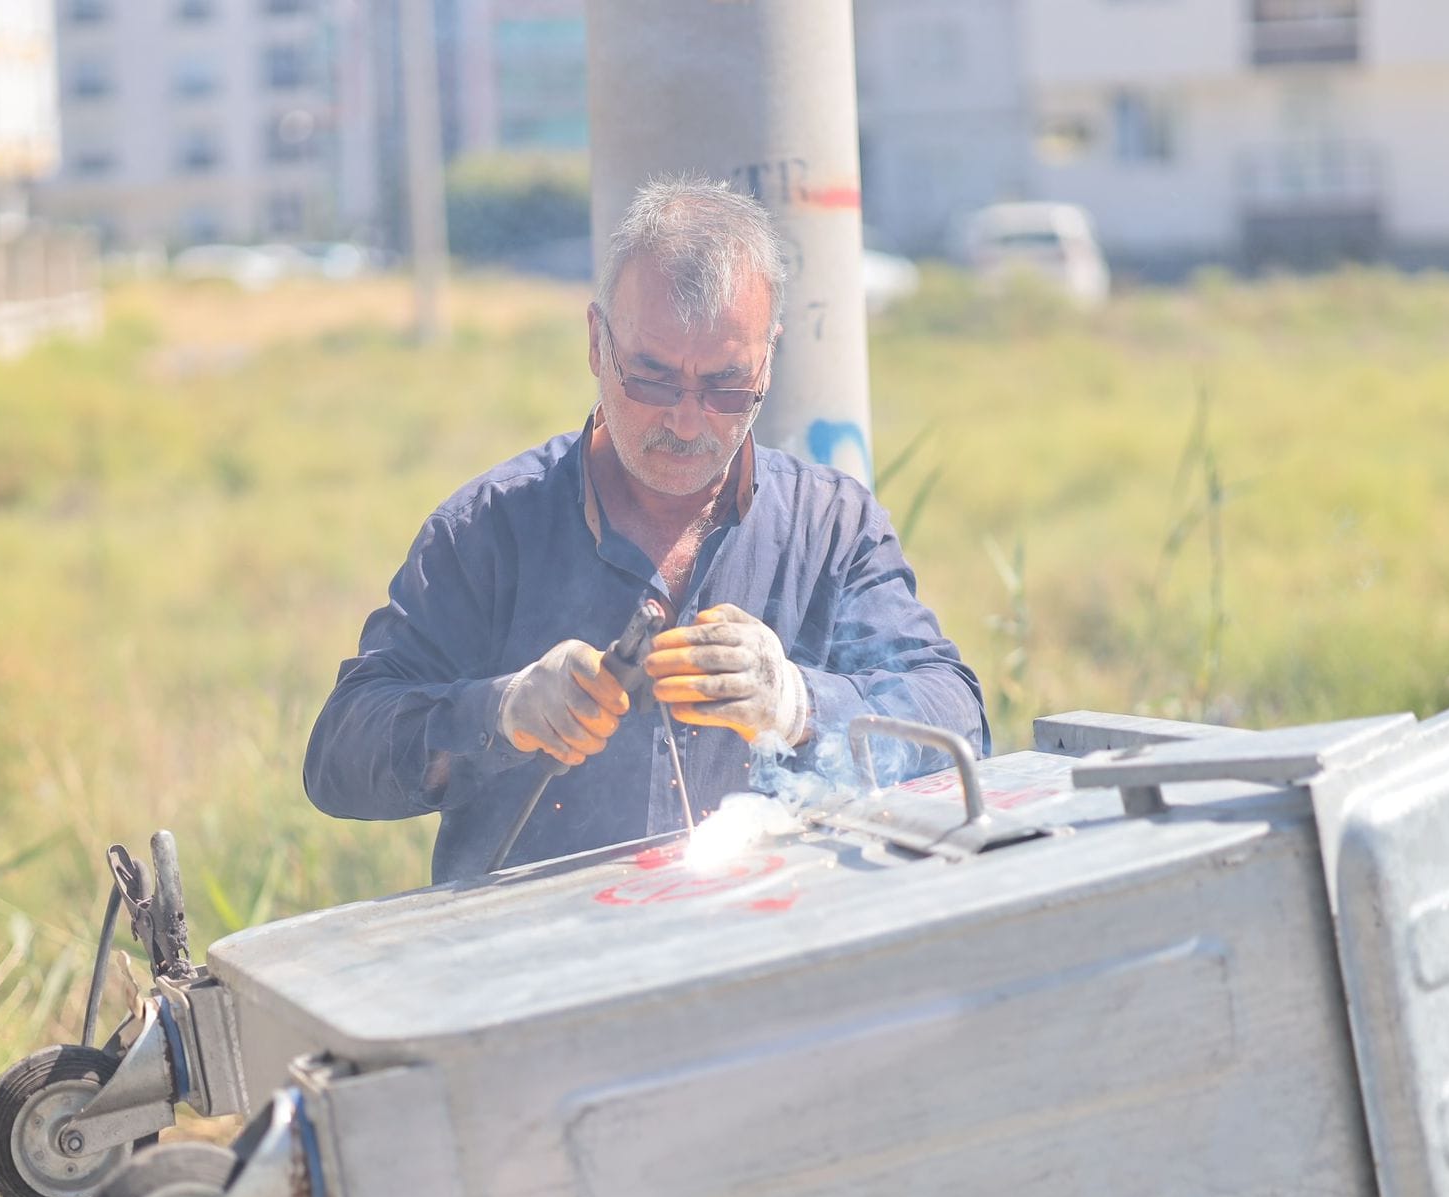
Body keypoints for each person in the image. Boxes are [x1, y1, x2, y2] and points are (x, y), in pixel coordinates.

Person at [304, 174, 988, 882]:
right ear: (598, 343)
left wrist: (800, 705)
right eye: (653, 379)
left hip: (775, 941)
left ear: (770, 359)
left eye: (726, 387)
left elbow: (959, 721)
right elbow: (338, 758)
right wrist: (500, 711)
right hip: (544, 969)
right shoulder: (486, 534)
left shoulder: (831, 528)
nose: (687, 422)